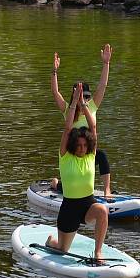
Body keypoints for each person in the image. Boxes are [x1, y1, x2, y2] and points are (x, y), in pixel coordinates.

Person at [45, 83, 109, 262]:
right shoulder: (65, 157)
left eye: (85, 145)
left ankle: (98, 252)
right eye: (79, 145)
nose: (82, 148)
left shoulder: (90, 156)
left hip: (88, 205)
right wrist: (73, 103)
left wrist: (83, 103)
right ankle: (52, 241)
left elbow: (93, 127)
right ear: (73, 145)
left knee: (102, 210)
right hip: (69, 209)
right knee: (62, 249)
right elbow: (67, 130)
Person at [50, 44, 113, 196]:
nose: (83, 99)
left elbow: (103, 85)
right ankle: (56, 184)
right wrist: (54, 71)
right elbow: (55, 91)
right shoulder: (67, 109)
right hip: (72, 156)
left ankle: (107, 190)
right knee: (66, 188)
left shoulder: (92, 106)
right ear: (74, 96)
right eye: (80, 96)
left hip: (88, 153)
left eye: (86, 96)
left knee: (102, 155)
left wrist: (106, 63)